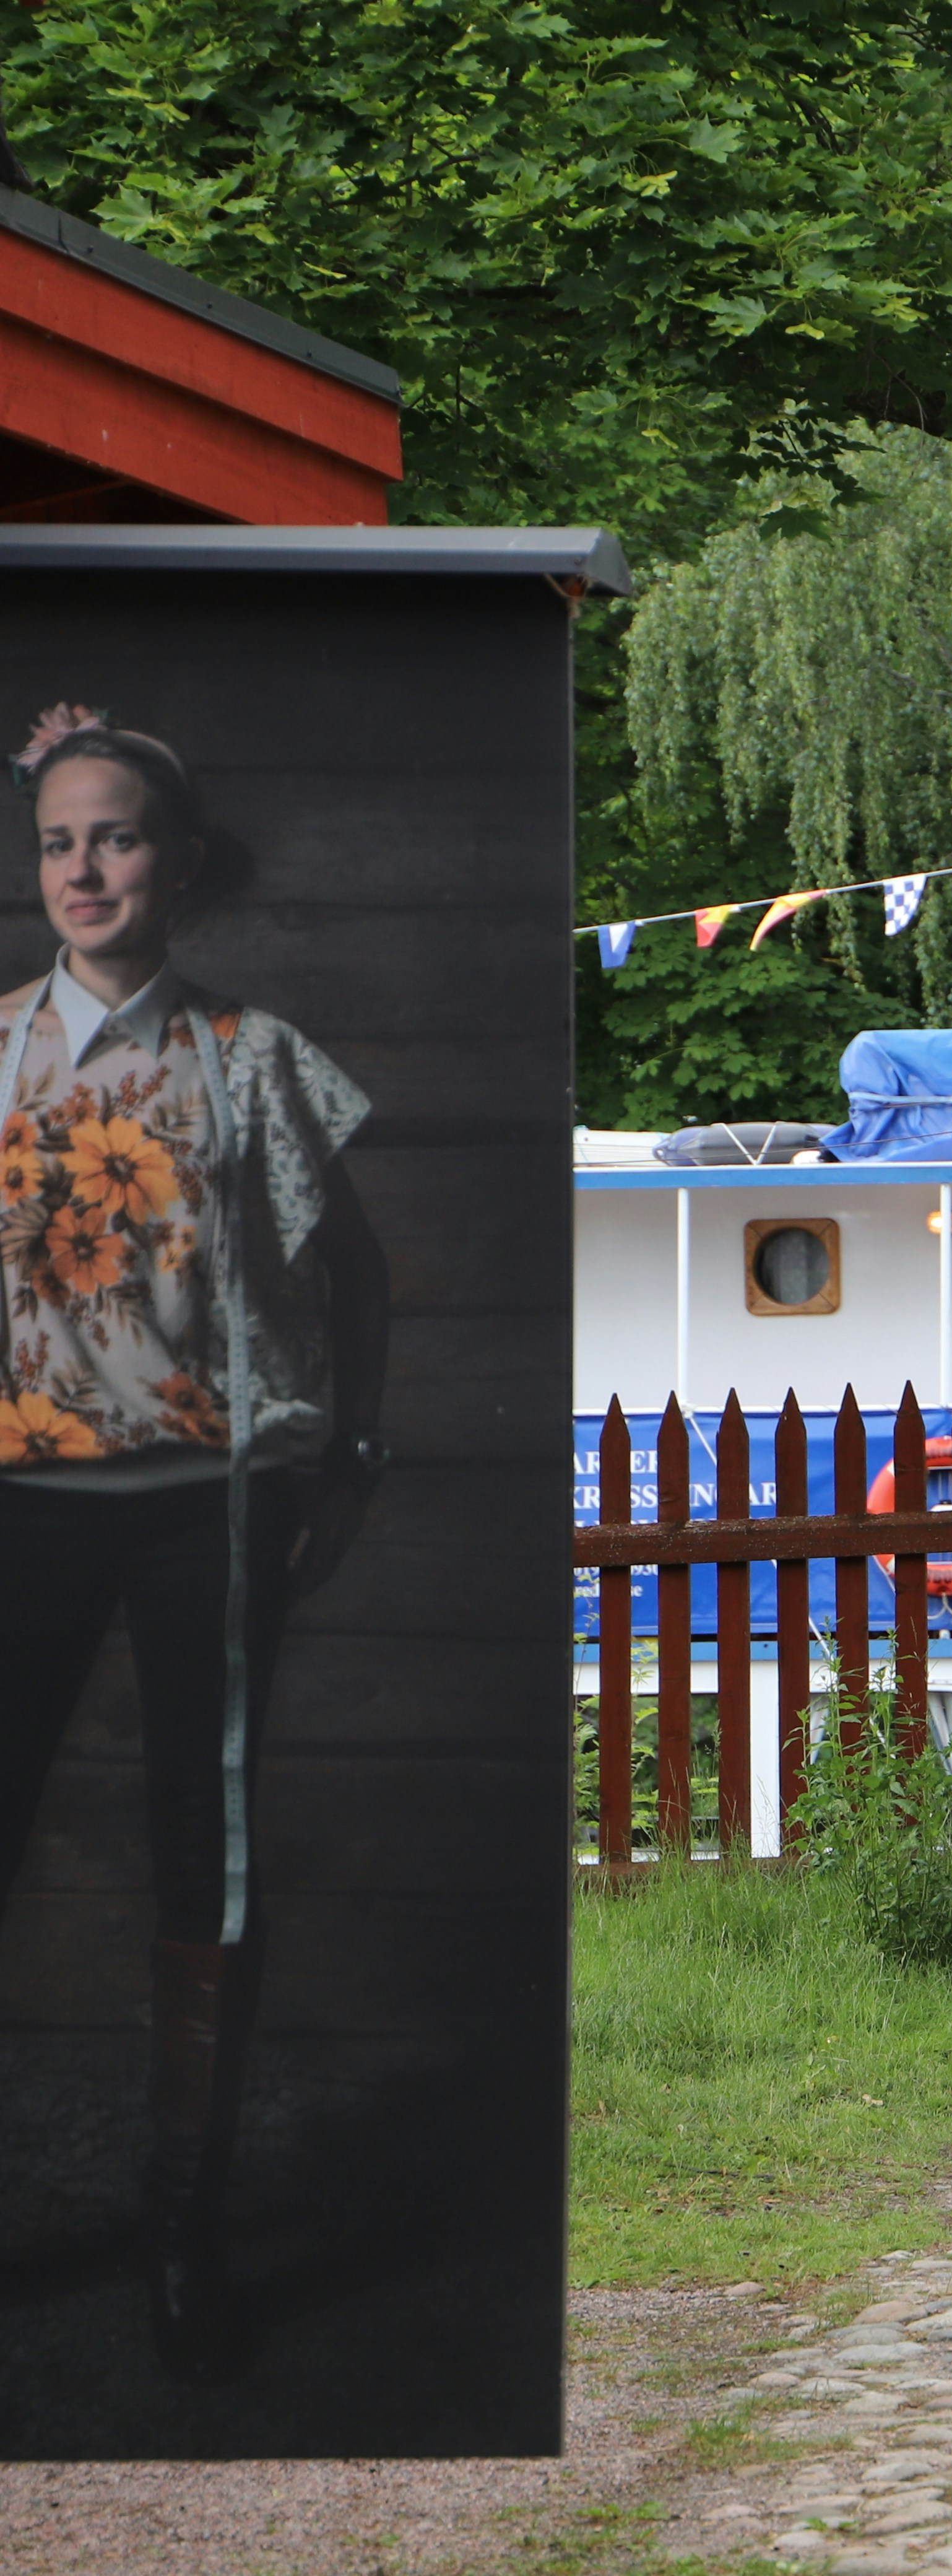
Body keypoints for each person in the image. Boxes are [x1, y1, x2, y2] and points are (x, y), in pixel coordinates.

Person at [0, 703, 388, 2375]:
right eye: (59, 839)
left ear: (179, 861)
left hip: (209, 1511)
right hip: (16, 1510)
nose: (88, 867)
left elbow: (356, 1280)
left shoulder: (255, 1056)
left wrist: (351, 1462)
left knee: (202, 1854)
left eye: (120, 836)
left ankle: (185, 2229)